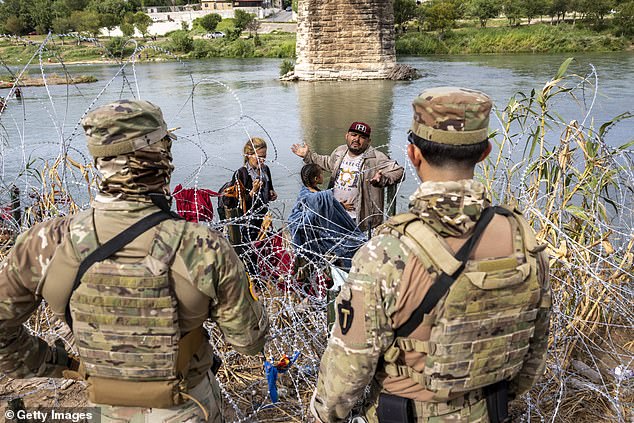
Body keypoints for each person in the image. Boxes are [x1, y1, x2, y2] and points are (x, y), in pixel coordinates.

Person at [0, 99, 268, 423]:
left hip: (104, 409)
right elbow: (248, 341)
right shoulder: (203, 247)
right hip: (188, 406)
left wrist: (59, 364)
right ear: (160, 157)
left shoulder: (45, 242)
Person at [310, 87, 552, 423]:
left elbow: (347, 369)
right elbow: (533, 355)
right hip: (489, 410)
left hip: (405, 413)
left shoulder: (386, 251)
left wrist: (322, 416)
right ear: (484, 153)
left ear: (413, 154)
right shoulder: (523, 239)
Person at [291, 121, 404, 232]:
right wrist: (308, 156)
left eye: (362, 137)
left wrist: (383, 179)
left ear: (368, 141)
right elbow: (328, 163)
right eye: (353, 135)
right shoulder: (340, 151)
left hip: (360, 220)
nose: (356, 139)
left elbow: (399, 171)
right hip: (335, 214)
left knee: (357, 249)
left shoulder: (376, 158)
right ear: (347, 136)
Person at [288, 164, 366, 272]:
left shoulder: (308, 193)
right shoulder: (318, 197)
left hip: (319, 237)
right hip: (322, 238)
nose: (323, 175)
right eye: (321, 173)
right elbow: (322, 214)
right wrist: (337, 207)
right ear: (316, 178)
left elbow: (322, 210)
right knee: (352, 244)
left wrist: (339, 206)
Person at [232, 137, 278, 246]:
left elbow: (270, 189)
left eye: (264, 156)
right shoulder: (241, 174)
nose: (262, 160)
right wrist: (253, 191)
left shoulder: (265, 170)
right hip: (248, 222)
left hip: (263, 218)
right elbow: (237, 203)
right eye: (259, 157)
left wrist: (272, 194)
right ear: (248, 154)